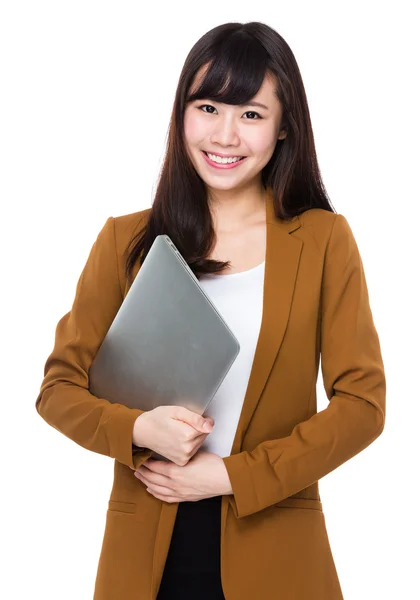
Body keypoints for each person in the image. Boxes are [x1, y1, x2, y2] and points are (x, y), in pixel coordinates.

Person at [35, 21, 386, 600]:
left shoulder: (323, 240)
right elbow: (58, 390)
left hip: (274, 543)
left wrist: (230, 475)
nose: (225, 135)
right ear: (182, 115)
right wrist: (138, 429)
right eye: (208, 107)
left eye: (251, 114)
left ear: (283, 129)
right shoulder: (127, 241)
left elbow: (362, 405)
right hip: (148, 544)